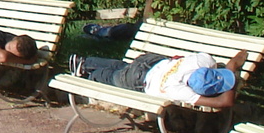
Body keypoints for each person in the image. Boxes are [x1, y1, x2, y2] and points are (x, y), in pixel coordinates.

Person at [70, 48, 248, 108]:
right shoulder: (181, 91)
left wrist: (231, 68)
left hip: (152, 62)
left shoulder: (202, 61)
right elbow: (224, 103)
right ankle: (88, 72)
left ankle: (86, 61)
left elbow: (241, 55)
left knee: (122, 66)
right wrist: (230, 84)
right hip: (139, 80)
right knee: (113, 76)